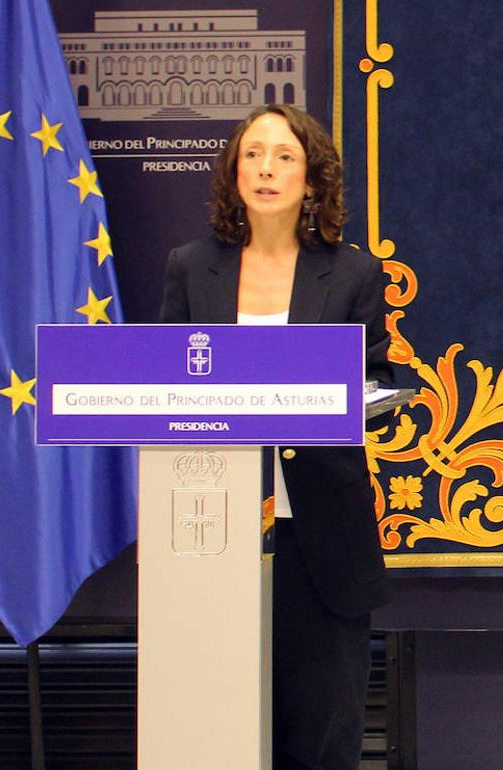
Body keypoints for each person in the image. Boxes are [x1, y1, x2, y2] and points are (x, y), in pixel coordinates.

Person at [160, 103, 392, 770]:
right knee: (214, 736)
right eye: (253, 154)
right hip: (210, 532)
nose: (266, 168)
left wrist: (350, 398)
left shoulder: (352, 272)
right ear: (233, 172)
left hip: (320, 533)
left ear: (312, 179)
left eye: (284, 156)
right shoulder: (189, 266)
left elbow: (383, 386)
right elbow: (164, 384)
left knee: (321, 736)